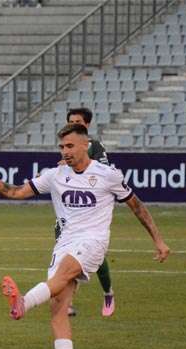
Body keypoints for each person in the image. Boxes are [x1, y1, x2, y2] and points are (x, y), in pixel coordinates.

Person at [0, 124, 170, 349]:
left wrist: (158, 240)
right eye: (61, 147)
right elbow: (16, 192)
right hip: (64, 244)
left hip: (93, 241)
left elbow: (136, 206)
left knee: (64, 273)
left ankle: (23, 302)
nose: (65, 151)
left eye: (70, 146)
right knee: (58, 307)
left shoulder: (108, 175)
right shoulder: (55, 175)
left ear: (85, 145)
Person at [64, 107, 114, 316]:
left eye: (78, 121)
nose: (75, 124)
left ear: (87, 124)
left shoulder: (94, 146)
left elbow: (106, 172)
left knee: (96, 257)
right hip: (70, 213)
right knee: (67, 256)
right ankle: (67, 304)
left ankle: (108, 292)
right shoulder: (66, 147)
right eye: (71, 121)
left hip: (92, 213)